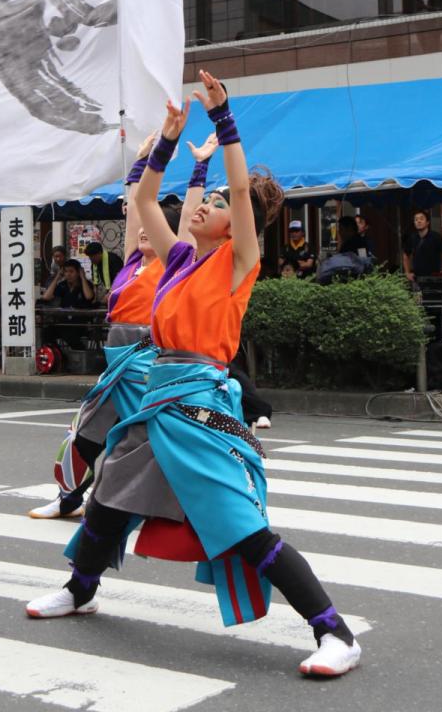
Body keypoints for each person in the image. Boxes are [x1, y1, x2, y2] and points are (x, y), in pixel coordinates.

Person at [26, 71, 361, 679]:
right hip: (156, 400)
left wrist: (224, 119)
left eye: (212, 205)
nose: (200, 206)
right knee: (105, 501)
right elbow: (145, 202)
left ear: (234, 223)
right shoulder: (180, 260)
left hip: (198, 405)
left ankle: (334, 631)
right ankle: (80, 589)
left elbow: (237, 187)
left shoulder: (240, 264)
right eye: (202, 202)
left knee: (242, 528)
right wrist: (166, 143)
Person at [29, 131, 216, 521]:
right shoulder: (131, 262)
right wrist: (142, 162)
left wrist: (201, 165)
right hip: (116, 363)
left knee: (153, 437)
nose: (145, 231)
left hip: (149, 363)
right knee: (85, 433)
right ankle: (68, 498)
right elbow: (133, 208)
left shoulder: (175, 262)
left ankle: (178, 507)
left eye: (153, 227)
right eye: (143, 227)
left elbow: (185, 219)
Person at [317, 216, 373, 284]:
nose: (339, 232)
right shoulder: (347, 243)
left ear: (349, 229)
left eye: (341, 229)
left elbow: (364, 260)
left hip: (355, 281)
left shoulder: (360, 243)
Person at [403, 210, 442, 280]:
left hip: (433, 278)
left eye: (421, 219)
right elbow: (405, 255)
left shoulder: (435, 237)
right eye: (416, 219)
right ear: (414, 223)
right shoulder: (412, 238)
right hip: (417, 278)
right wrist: (407, 273)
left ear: (427, 222)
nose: (418, 221)